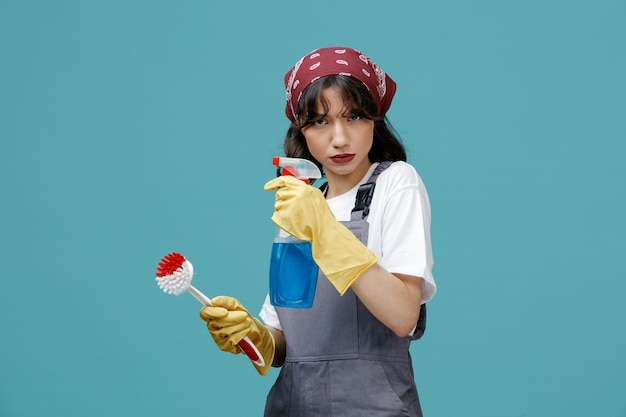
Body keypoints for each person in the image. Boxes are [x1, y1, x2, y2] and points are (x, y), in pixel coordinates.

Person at [199, 46, 437, 416]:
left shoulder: (395, 183)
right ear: (302, 130)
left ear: (376, 119)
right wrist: (250, 335)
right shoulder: (304, 205)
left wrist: (325, 230)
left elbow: (403, 315)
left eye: (354, 116)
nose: (340, 138)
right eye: (320, 121)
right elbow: (285, 346)